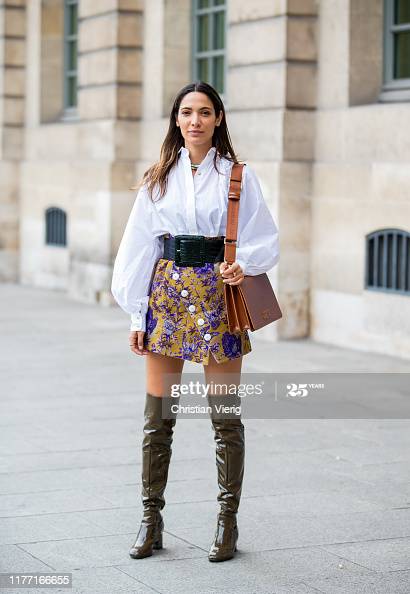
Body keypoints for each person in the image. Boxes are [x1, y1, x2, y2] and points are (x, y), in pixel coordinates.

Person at [111, 81, 279, 562]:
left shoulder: (239, 176)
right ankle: (151, 520)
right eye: (187, 112)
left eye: (205, 112)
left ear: (219, 119)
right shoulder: (158, 178)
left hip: (218, 297)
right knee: (158, 416)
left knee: (225, 417)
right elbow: (139, 247)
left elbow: (264, 237)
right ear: (176, 119)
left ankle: (227, 522)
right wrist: (136, 313)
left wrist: (241, 262)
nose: (195, 121)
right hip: (165, 294)